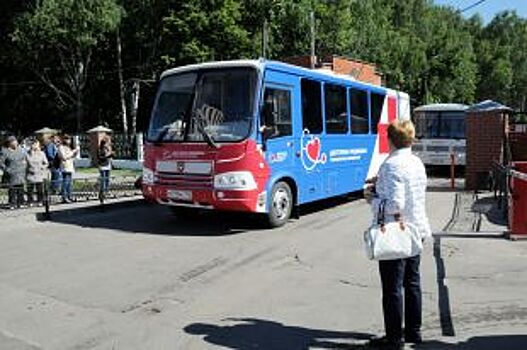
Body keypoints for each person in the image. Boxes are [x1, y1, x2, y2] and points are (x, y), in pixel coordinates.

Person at [364, 120, 431, 350]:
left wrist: (372, 198)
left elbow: (395, 204)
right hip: (417, 229)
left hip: (395, 232)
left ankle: (394, 338)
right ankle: (413, 331)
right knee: (412, 282)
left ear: (390, 138)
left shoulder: (391, 165)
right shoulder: (416, 161)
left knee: (392, 287)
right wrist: (381, 185)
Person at [0, 136, 27, 209]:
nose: (16, 143)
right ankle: (12, 203)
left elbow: (25, 158)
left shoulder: (20, 150)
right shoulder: (4, 151)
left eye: (16, 141)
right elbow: (1, 163)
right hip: (11, 174)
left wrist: (24, 165)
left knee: (20, 189)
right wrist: (7, 170)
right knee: (12, 190)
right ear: (9, 143)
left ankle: (21, 202)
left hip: (21, 173)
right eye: (14, 141)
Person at [26, 139, 49, 206]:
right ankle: (30, 201)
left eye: (36, 144)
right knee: (30, 189)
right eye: (33, 144)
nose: (35, 146)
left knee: (40, 189)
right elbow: (25, 163)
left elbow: (46, 163)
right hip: (30, 174)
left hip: (39, 174)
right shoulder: (27, 154)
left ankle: (40, 201)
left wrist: (42, 167)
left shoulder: (42, 153)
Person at [58, 135, 79, 203]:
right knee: (65, 182)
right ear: (64, 140)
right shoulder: (61, 147)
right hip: (65, 167)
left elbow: (72, 156)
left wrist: (76, 152)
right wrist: (72, 152)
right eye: (67, 139)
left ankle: (70, 196)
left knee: (69, 183)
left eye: (69, 139)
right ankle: (64, 197)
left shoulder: (69, 147)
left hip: (70, 166)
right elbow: (64, 157)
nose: (69, 141)